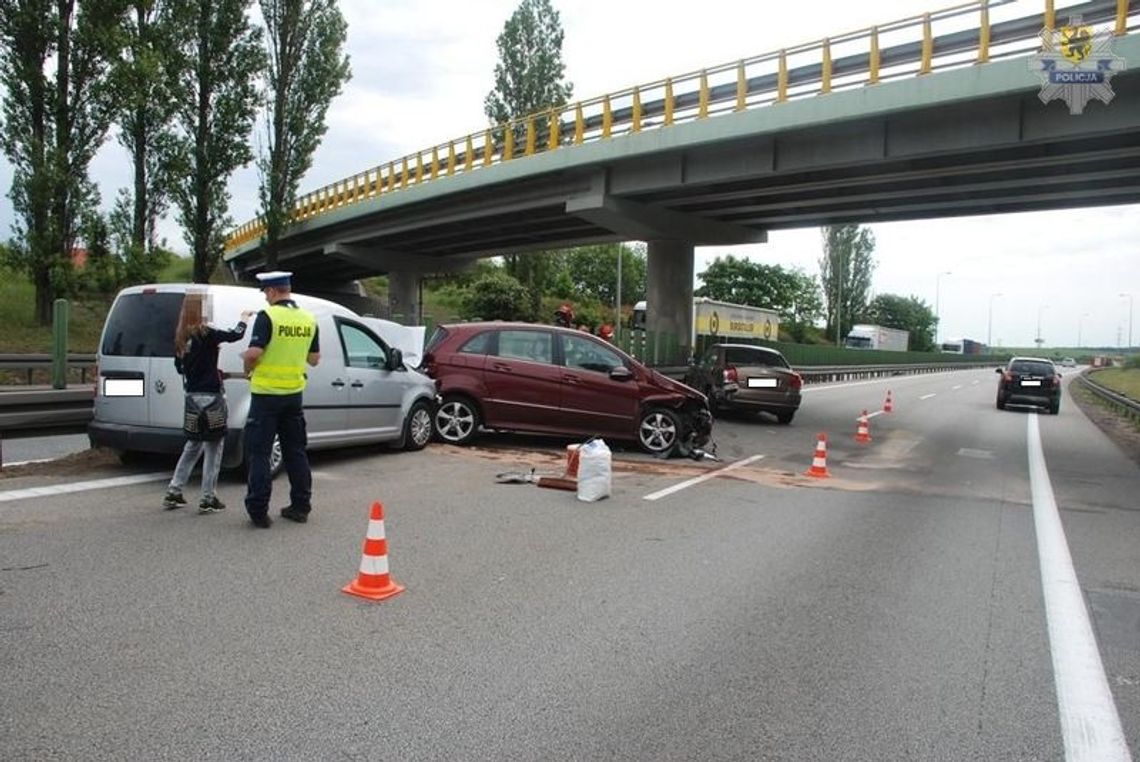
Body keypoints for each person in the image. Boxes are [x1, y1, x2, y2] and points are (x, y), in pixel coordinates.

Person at [240, 271, 320, 529]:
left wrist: (246, 362)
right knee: (296, 452)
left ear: (273, 291)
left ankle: (259, 511)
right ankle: (300, 506)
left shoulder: (268, 316)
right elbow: (314, 359)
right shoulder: (309, 319)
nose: (265, 298)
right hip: (293, 396)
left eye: (265, 293)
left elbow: (254, 352)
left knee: (260, 453)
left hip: (266, 396)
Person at [163, 293, 253, 514]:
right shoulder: (208, 333)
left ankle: (174, 490)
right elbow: (235, 335)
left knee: (193, 444)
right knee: (214, 446)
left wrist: (204, 363)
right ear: (202, 310)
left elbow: (180, 368)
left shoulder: (180, 337)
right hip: (212, 397)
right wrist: (244, 318)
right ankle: (208, 497)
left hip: (192, 397)